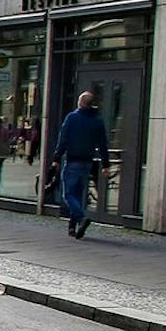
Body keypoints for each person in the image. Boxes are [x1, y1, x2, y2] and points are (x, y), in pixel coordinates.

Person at [52, 90, 109, 238]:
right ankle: (72, 226)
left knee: (69, 194)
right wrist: (106, 164)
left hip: (73, 160)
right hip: (87, 163)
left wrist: (56, 158)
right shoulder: (97, 120)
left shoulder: (72, 118)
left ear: (81, 103)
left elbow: (63, 139)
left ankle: (81, 218)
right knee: (79, 194)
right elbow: (103, 144)